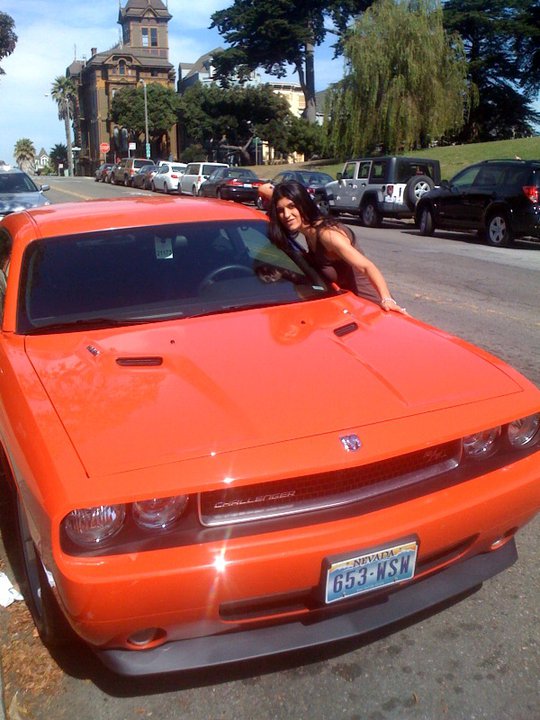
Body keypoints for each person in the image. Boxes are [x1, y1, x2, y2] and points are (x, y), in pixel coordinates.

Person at [262, 180, 408, 314]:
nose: (286, 215)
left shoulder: (328, 235)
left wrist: (387, 299)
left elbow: (366, 267)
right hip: (348, 305)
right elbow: (263, 189)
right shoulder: (308, 229)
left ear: (303, 203)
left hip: (372, 307)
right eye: (280, 210)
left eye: (291, 207)